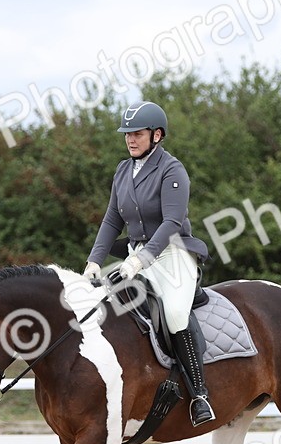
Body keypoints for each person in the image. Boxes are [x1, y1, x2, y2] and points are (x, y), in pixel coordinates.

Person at [83, 101, 215, 426]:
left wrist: (141, 259)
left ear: (156, 135)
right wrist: (94, 261)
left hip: (172, 255)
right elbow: (112, 219)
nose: (130, 139)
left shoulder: (172, 170)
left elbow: (172, 221)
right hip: (134, 256)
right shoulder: (122, 170)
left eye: (137, 134)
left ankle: (200, 395)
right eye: (127, 134)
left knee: (173, 313)